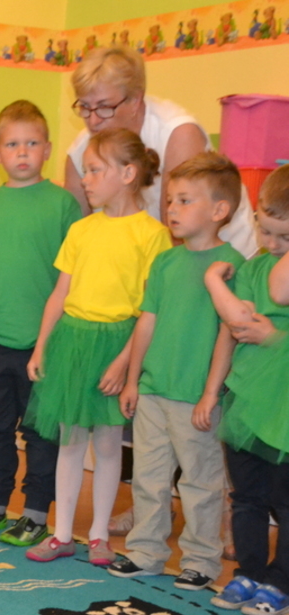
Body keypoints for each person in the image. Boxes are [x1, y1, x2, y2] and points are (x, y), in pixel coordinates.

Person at [25, 128, 172, 566]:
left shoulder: (152, 235)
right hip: (72, 342)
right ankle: (61, 534)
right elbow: (60, 293)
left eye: (94, 170)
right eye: (85, 171)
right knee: (70, 442)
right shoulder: (81, 230)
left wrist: (124, 364)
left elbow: (150, 309)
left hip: (117, 344)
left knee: (108, 446)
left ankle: (98, 536)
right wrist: (41, 346)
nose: (84, 180)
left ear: (127, 174)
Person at [111, 153, 244, 589]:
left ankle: (201, 561)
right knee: (148, 478)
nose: (172, 209)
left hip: (195, 397)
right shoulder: (166, 262)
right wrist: (132, 380)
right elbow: (146, 322)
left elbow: (228, 333)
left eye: (185, 200)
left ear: (219, 210)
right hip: (153, 391)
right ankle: (145, 551)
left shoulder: (230, 265)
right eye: (170, 200)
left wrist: (210, 393)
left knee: (200, 482)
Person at [0, 100, 81, 547]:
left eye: (32, 143)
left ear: (47, 149)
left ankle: (35, 513)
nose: (23, 152)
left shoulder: (63, 205)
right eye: (12, 144)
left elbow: (74, 275)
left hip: (42, 342)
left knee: (40, 432)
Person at [63, 46, 256, 258]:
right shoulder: (79, 152)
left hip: (222, 253)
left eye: (104, 107)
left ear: (135, 100)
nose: (92, 120)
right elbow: (76, 234)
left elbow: (179, 232)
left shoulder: (178, 134)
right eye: (84, 107)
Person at [203, 164, 289, 615]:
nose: (271, 243)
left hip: (283, 408)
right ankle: (250, 572)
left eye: (284, 237)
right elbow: (233, 325)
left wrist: (275, 336)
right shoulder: (254, 268)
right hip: (248, 402)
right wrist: (214, 280)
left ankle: (281, 581)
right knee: (247, 495)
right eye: (264, 229)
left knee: (285, 500)